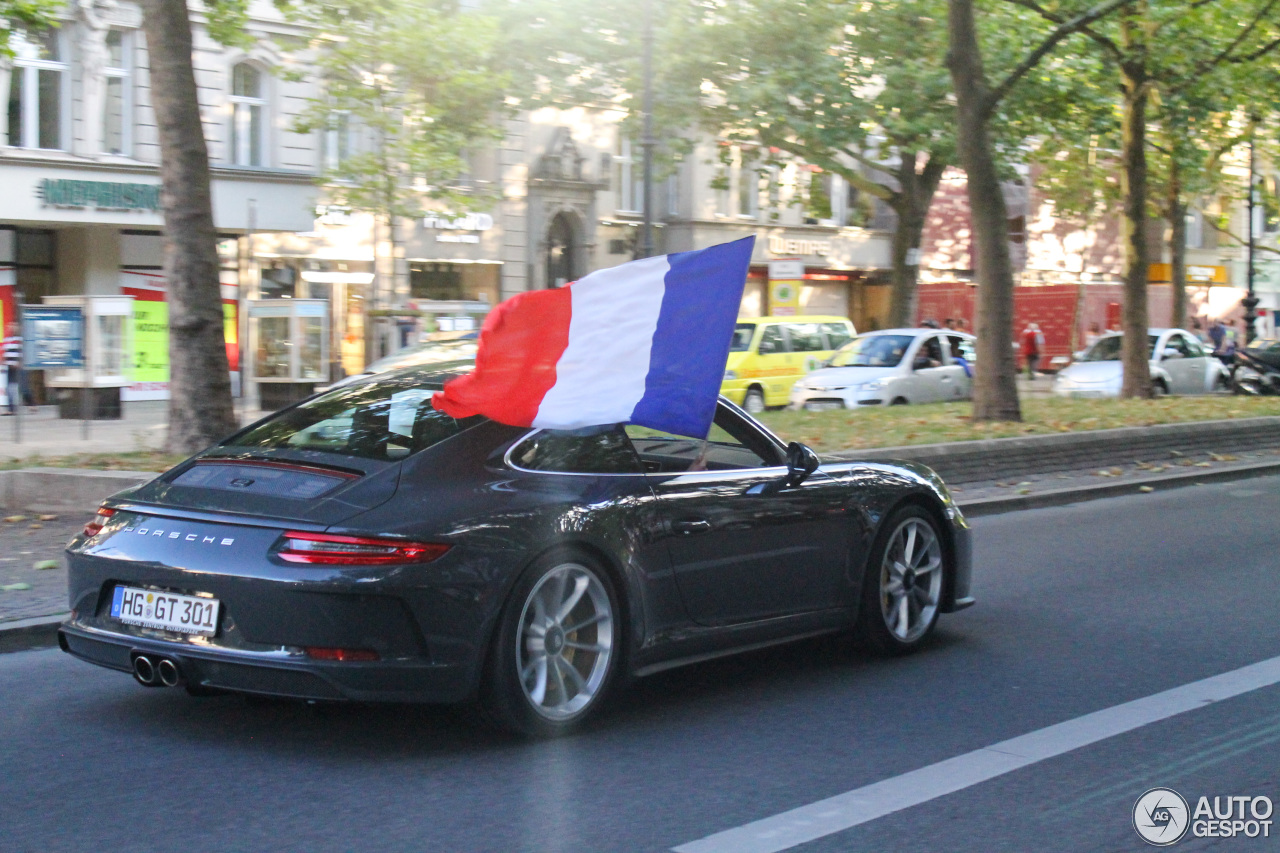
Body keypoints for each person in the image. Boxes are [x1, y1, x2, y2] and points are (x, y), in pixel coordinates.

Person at [2, 322, 22, 415]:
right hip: (9, 366)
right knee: (10, 387)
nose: (11, 329)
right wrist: (4, 361)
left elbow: (22, 352)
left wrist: (19, 362)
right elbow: (4, 351)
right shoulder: (7, 339)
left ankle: (14, 407)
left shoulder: (19, 340)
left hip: (17, 366)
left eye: (13, 327)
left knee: (14, 387)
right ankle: (11, 408)